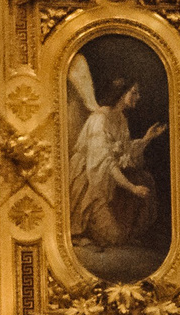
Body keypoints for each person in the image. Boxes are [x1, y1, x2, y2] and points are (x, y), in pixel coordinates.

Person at [68, 60, 163, 252]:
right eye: (134, 92)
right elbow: (106, 165)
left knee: (145, 179)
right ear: (121, 93)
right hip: (90, 183)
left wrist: (146, 139)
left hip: (108, 180)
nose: (138, 96)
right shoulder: (99, 120)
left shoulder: (120, 118)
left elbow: (125, 152)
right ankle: (82, 230)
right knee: (114, 237)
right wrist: (132, 188)